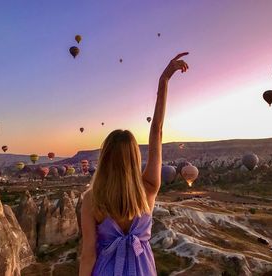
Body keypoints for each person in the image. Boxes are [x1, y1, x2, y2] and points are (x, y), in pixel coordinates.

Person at [80, 53, 189, 276]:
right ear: (135, 159)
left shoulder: (92, 200)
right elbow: (157, 131)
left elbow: (88, 254)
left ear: (105, 159)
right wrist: (165, 79)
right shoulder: (148, 188)